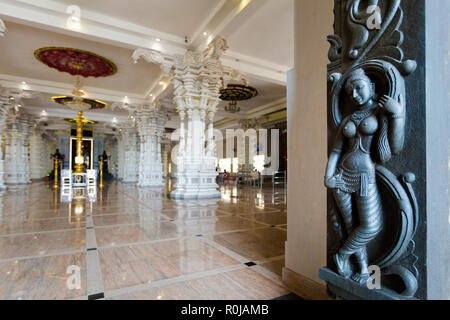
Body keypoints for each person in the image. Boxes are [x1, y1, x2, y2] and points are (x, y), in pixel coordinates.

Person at [324, 68, 405, 284]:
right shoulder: (349, 118)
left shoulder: (380, 113)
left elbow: (395, 148)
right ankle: (361, 269)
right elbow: (335, 151)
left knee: (370, 226)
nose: (355, 95)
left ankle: (341, 254)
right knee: (352, 226)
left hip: (365, 175)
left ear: (373, 87)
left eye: (359, 88)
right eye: (351, 92)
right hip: (342, 175)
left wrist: (396, 113)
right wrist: (328, 176)